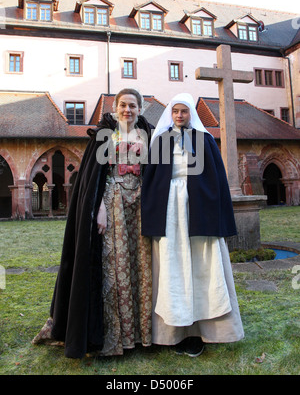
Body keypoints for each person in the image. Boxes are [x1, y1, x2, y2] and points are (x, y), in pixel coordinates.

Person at [32, 88, 153, 358]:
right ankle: (114, 338)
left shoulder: (149, 134)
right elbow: (94, 179)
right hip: (113, 203)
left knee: (141, 266)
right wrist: (98, 209)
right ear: (115, 107)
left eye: (132, 105)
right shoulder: (104, 135)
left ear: (140, 108)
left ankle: (142, 335)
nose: (127, 110)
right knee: (116, 265)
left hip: (142, 206)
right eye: (123, 105)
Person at [141, 93, 244, 357]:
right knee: (172, 264)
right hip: (169, 211)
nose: (179, 115)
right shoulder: (161, 141)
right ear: (170, 113)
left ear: (191, 114)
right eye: (175, 111)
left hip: (199, 210)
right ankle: (172, 332)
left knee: (202, 265)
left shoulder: (205, 140)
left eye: (184, 111)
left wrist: (213, 209)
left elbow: (216, 179)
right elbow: (151, 180)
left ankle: (203, 331)